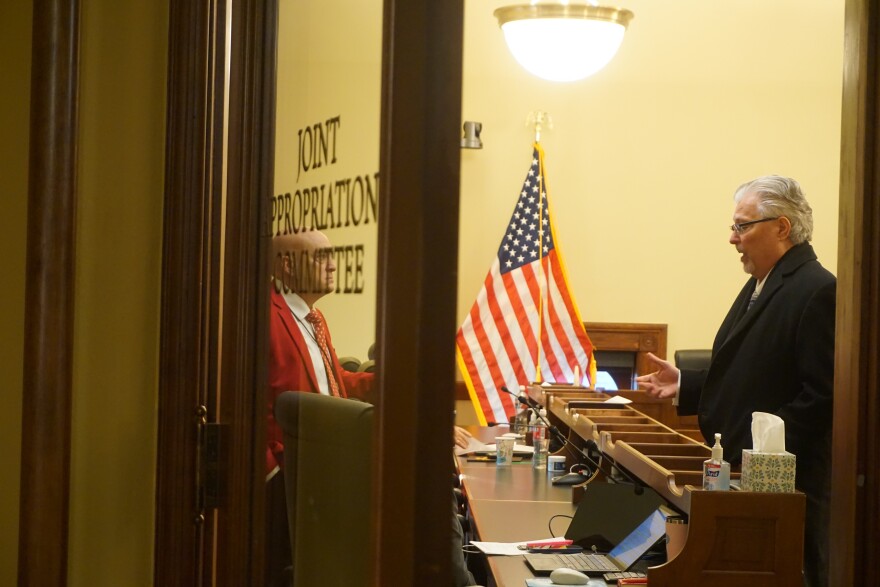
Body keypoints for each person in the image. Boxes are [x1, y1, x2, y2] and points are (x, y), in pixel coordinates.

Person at [636, 175, 834, 587]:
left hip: (783, 494)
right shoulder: (761, 284)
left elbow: (822, 397)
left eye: (742, 226)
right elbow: (756, 370)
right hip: (745, 482)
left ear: (782, 227)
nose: (732, 238)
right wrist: (688, 385)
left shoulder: (816, 290)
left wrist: (755, 454)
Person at [267, 229, 478, 587]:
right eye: (322, 257)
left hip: (334, 456)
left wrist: (400, 382)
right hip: (301, 471)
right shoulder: (267, 317)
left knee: (428, 469)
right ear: (287, 265)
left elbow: (336, 384)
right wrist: (272, 469)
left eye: (334, 256)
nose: (334, 266)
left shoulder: (312, 318)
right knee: (424, 477)